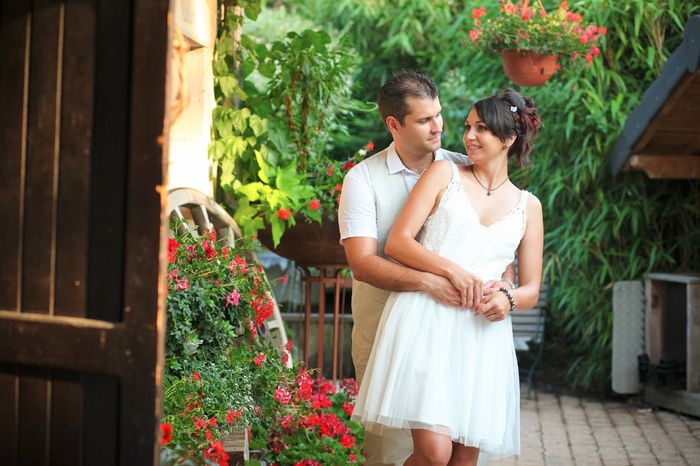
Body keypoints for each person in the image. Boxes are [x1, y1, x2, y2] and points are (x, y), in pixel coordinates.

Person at [351, 87, 544, 465]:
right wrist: (455, 272)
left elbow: (529, 288)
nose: (468, 136)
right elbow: (398, 243)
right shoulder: (445, 172)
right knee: (434, 453)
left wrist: (507, 299)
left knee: (464, 458)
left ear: (509, 138)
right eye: (468, 126)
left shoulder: (528, 207)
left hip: (481, 337)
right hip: (426, 322)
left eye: (482, 129)